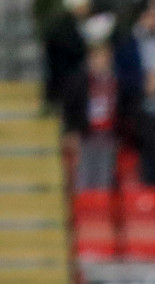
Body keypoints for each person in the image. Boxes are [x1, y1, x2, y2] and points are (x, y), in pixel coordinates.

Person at [63, 42, 118, 191]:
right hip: (86, 133)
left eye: (104, 58)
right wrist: (71, 130)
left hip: (108, 134)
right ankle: (84, 208)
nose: (101, 61)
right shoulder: (79, 81)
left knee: (104, 177)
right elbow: (71, 108)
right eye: (97, 58)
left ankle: (101, 208)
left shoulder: (115, 80)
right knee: (84, 176)